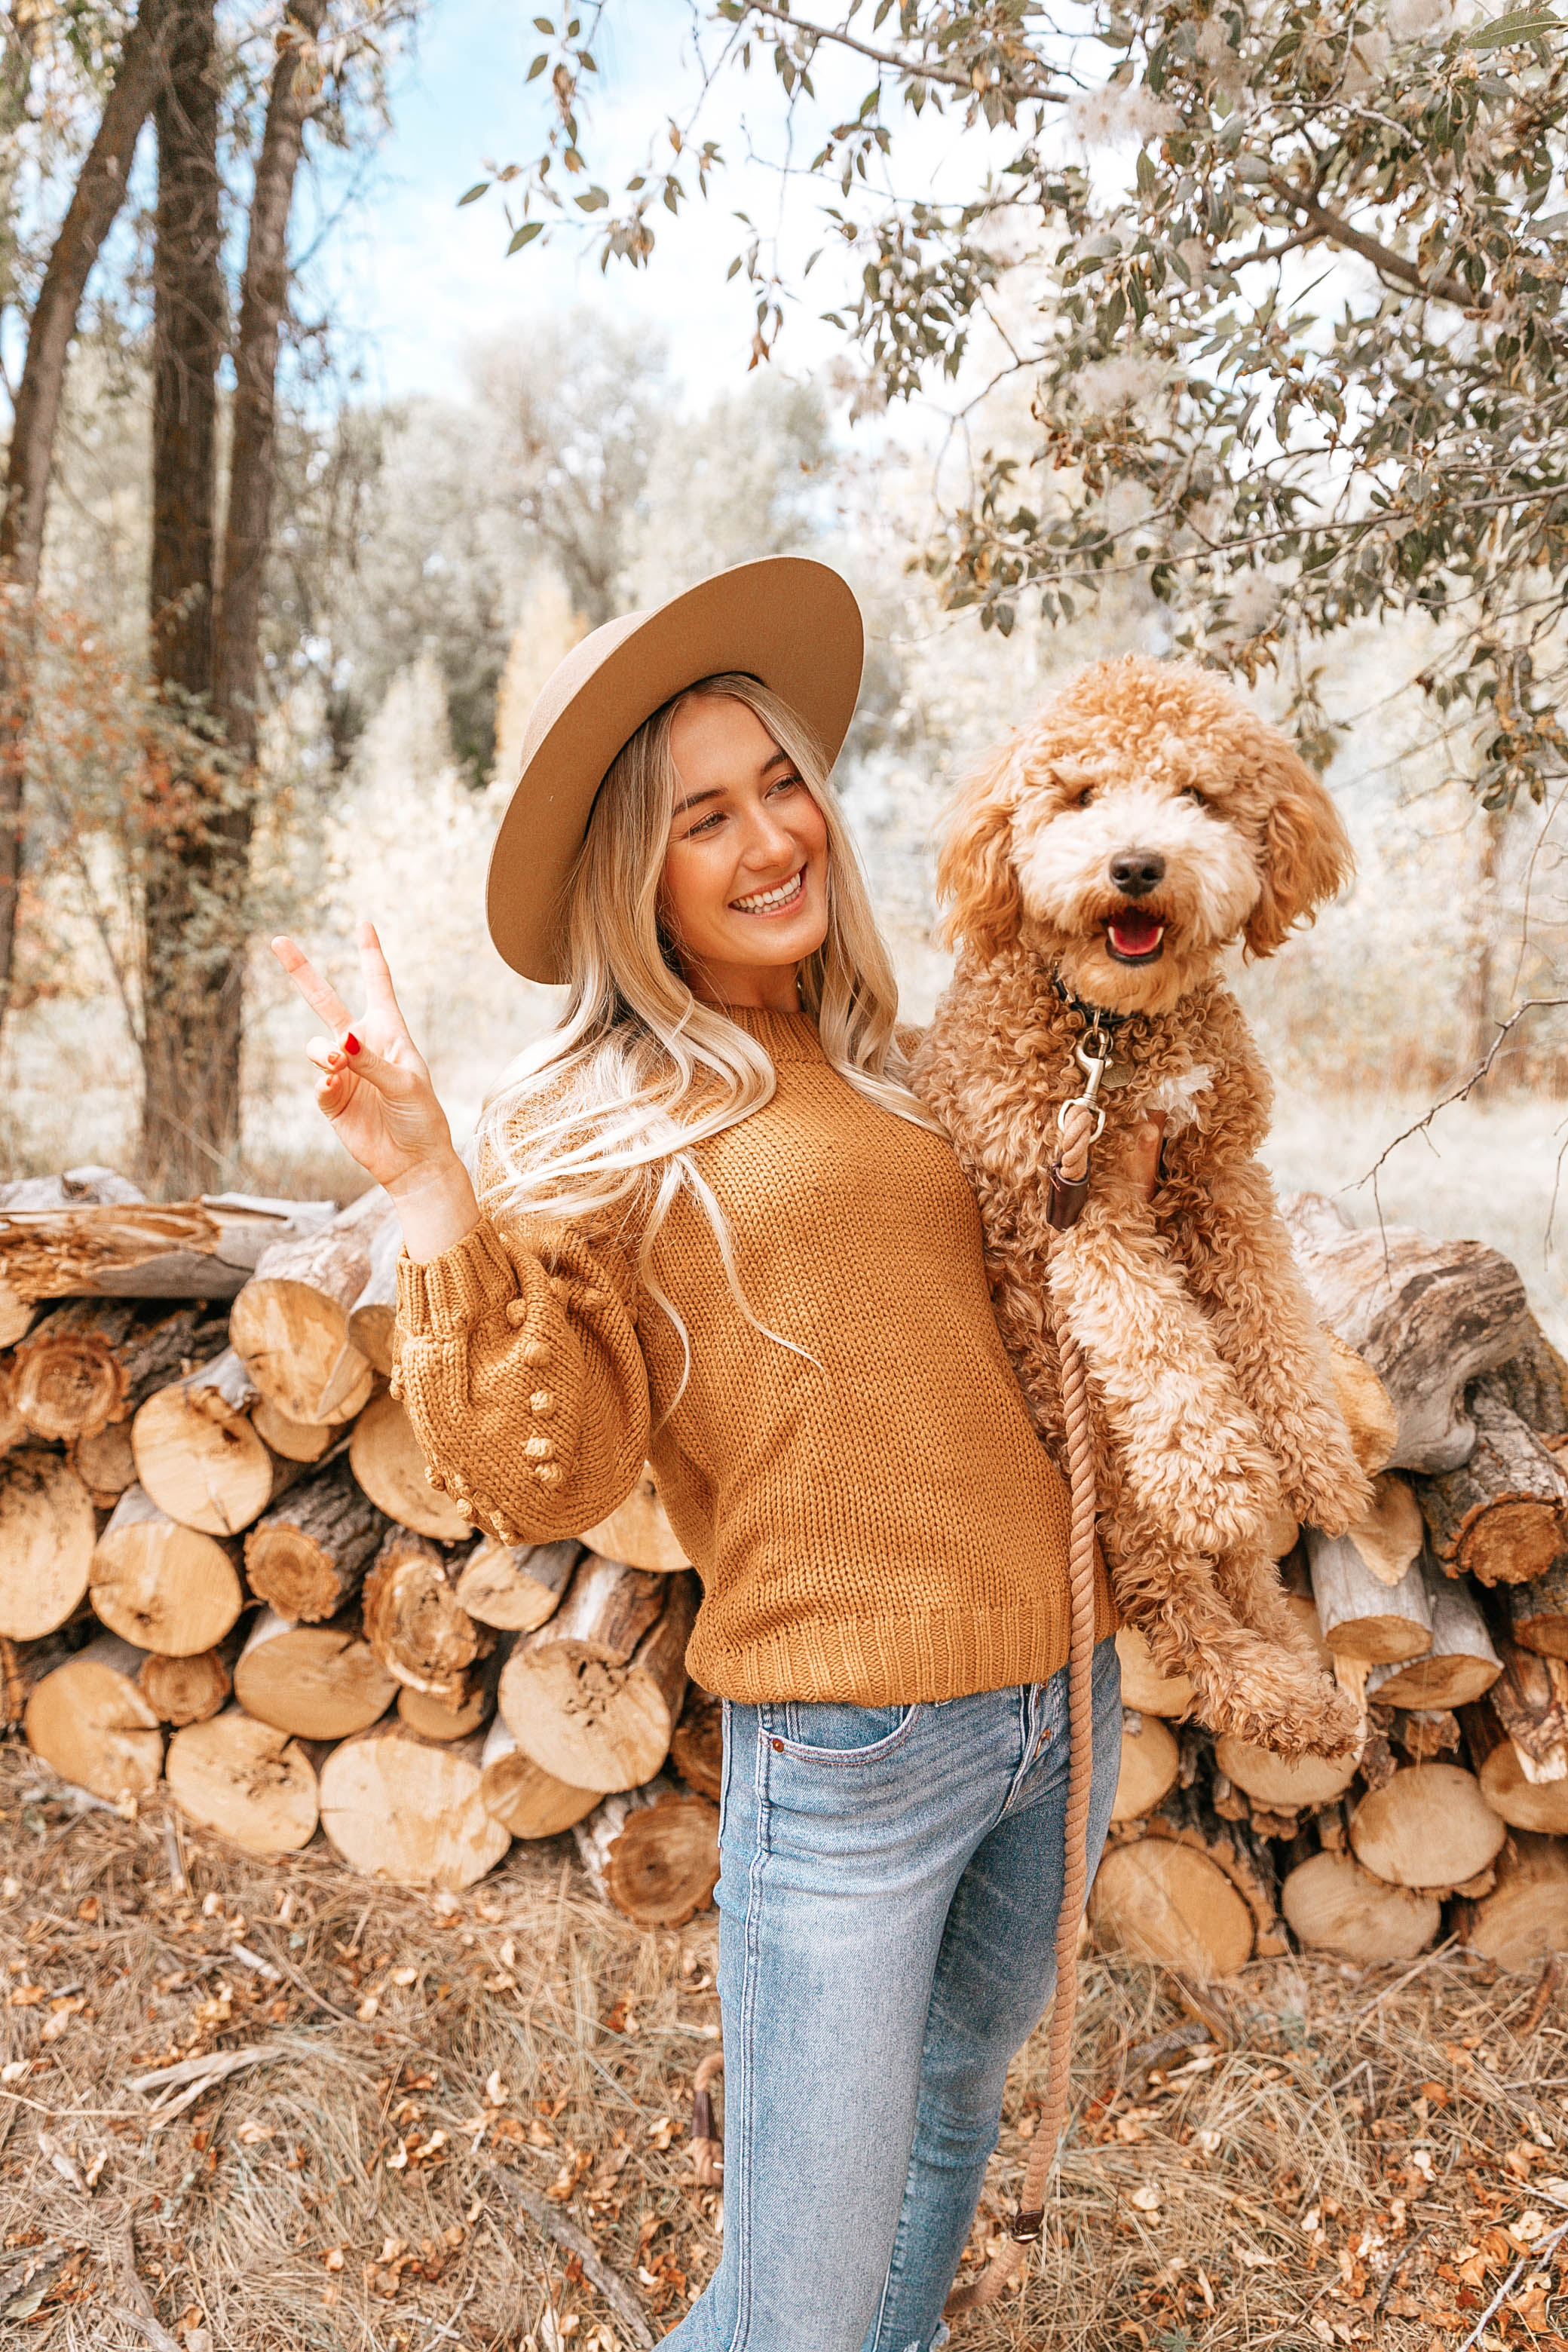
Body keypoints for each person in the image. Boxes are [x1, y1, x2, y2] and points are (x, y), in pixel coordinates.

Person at [274, 556, 1149, 2352]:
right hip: (851, 1756)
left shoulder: (895, 1062)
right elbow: (537, 1477)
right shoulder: (605, 1124)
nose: (770, 840)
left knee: (947, 2125)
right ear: (635, 877)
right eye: (703, 819)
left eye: (780, 787)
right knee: (797, 2312)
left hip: (1062, 1698)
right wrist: (431, 1184)